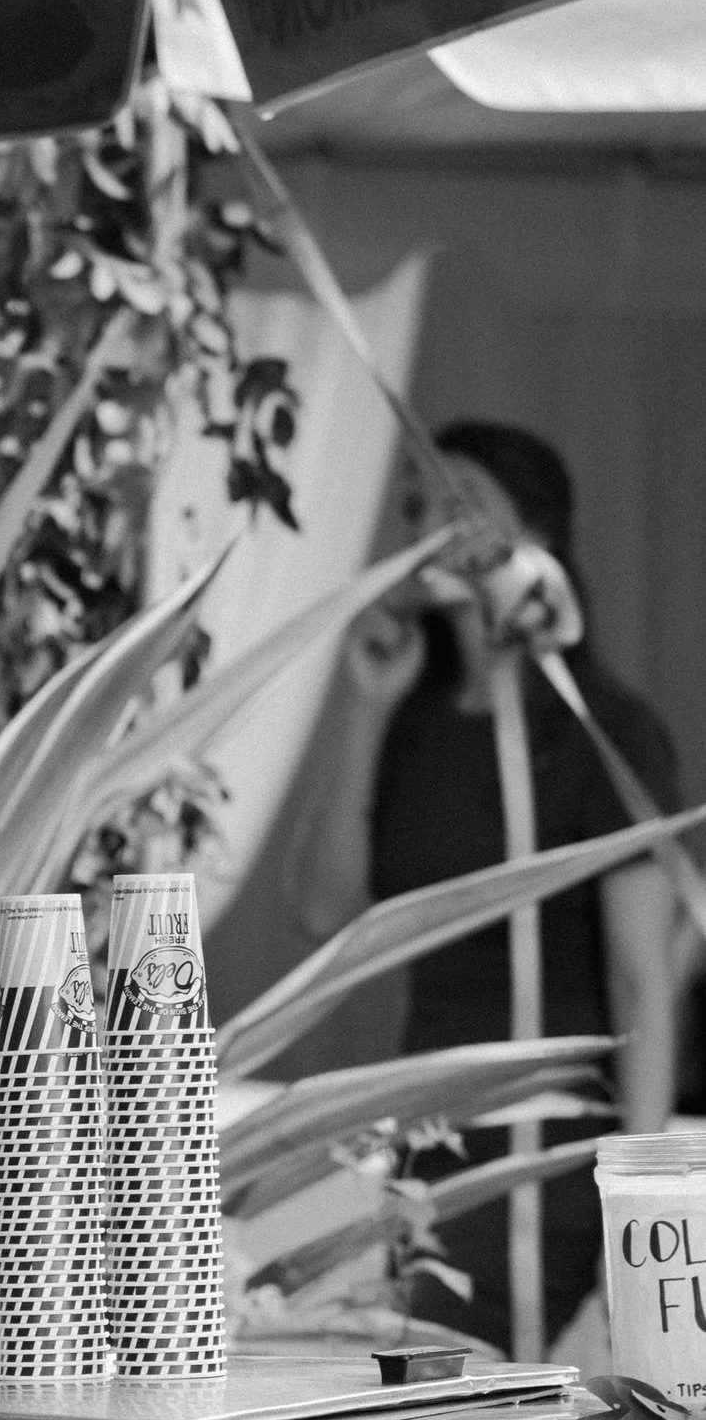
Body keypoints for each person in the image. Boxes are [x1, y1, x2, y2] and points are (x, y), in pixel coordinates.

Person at [286, 420, 679, 1353]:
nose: (428, 525)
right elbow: (321, 910)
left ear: (535, 535)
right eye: (416, 506)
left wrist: (643, 1202)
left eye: (459, 503)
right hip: (429, 1144)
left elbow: (641, 981)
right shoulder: (414, 719)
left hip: (550, 1153)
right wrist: (367, 709)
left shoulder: (602, 728)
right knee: (432, 1395)